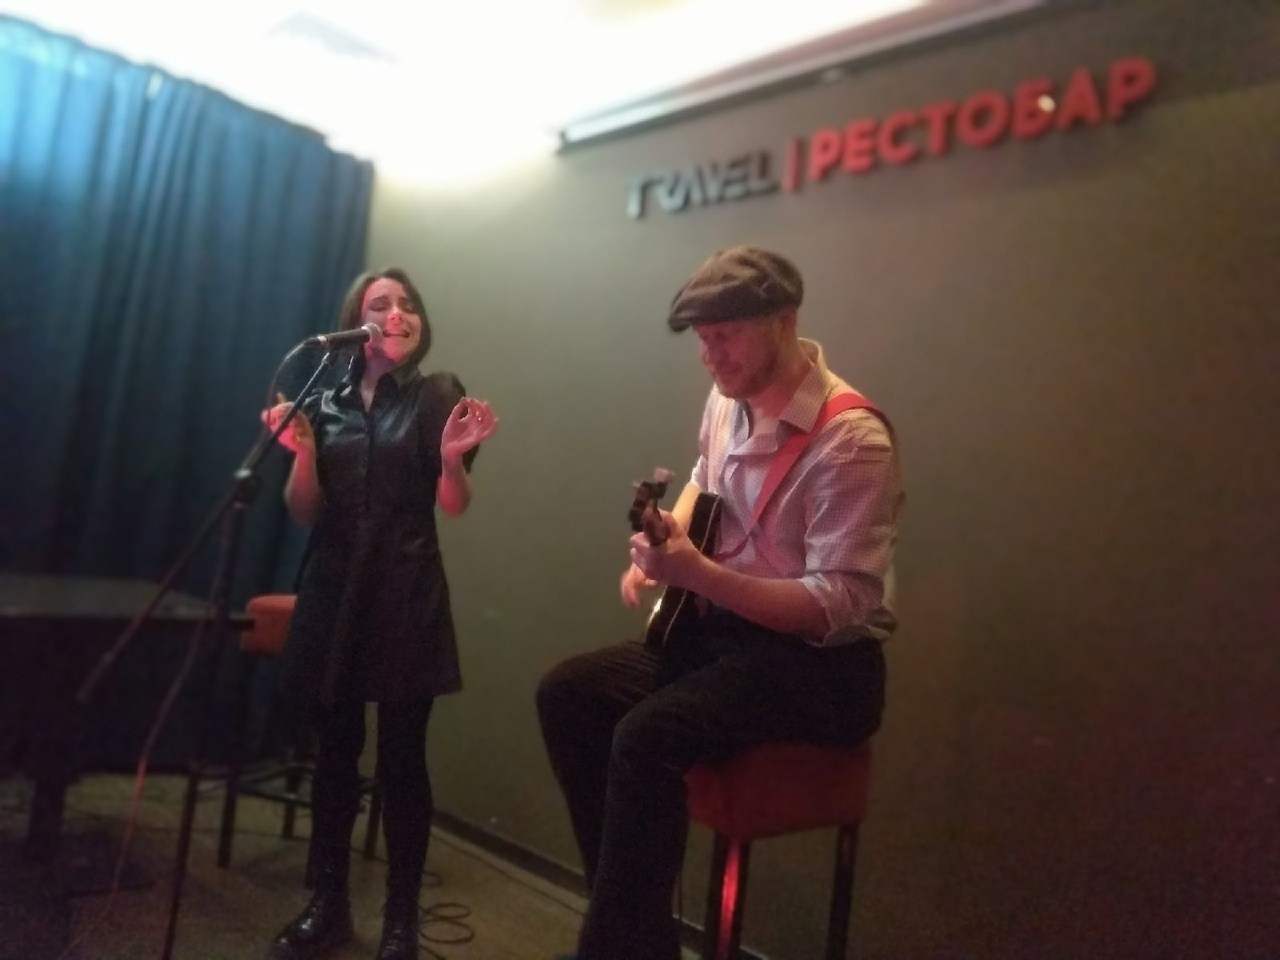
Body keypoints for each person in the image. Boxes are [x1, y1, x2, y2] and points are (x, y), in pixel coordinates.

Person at [536, 246, 904, 960]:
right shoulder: (726, 401)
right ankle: (635, 937)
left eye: (726, 336)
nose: (710, 357)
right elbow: (705, 481)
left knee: (646, 736)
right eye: (702, 340)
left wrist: (699, 576)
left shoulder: (852, 439)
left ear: (785, 321)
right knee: (569, 694)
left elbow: (837, 604)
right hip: (730, 642)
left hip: (825, 670)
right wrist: (662, 542)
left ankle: (613, 947)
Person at [260, 266, 498, 960]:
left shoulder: (437, 394)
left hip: (405, 590)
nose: (398, 313)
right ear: (354, 324)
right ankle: (328, 905)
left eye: (408, 304)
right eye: (381, 304)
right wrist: (304, 455)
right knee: (334, 755)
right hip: (333, 587)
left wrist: (451, 464)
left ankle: (400, 920)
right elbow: (304, 511)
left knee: (402, 760)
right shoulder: (322, 398)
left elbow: (453, 504)